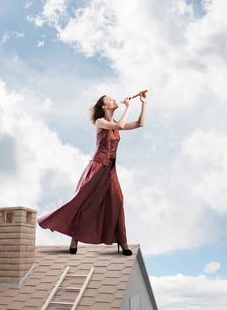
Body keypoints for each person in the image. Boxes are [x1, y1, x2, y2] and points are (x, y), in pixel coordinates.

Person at [37, 91, 148, 256]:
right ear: (104, 107)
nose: (113, 99)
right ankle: (74, 238)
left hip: (110, 169)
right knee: (84, 202)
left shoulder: (116, 122)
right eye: (109, 99)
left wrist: (143, 104)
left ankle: (122, 242)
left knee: (117, 201)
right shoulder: (100, 122)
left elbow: (139, 124)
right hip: (97, 167)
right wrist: (128, 108)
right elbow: (119, 126)